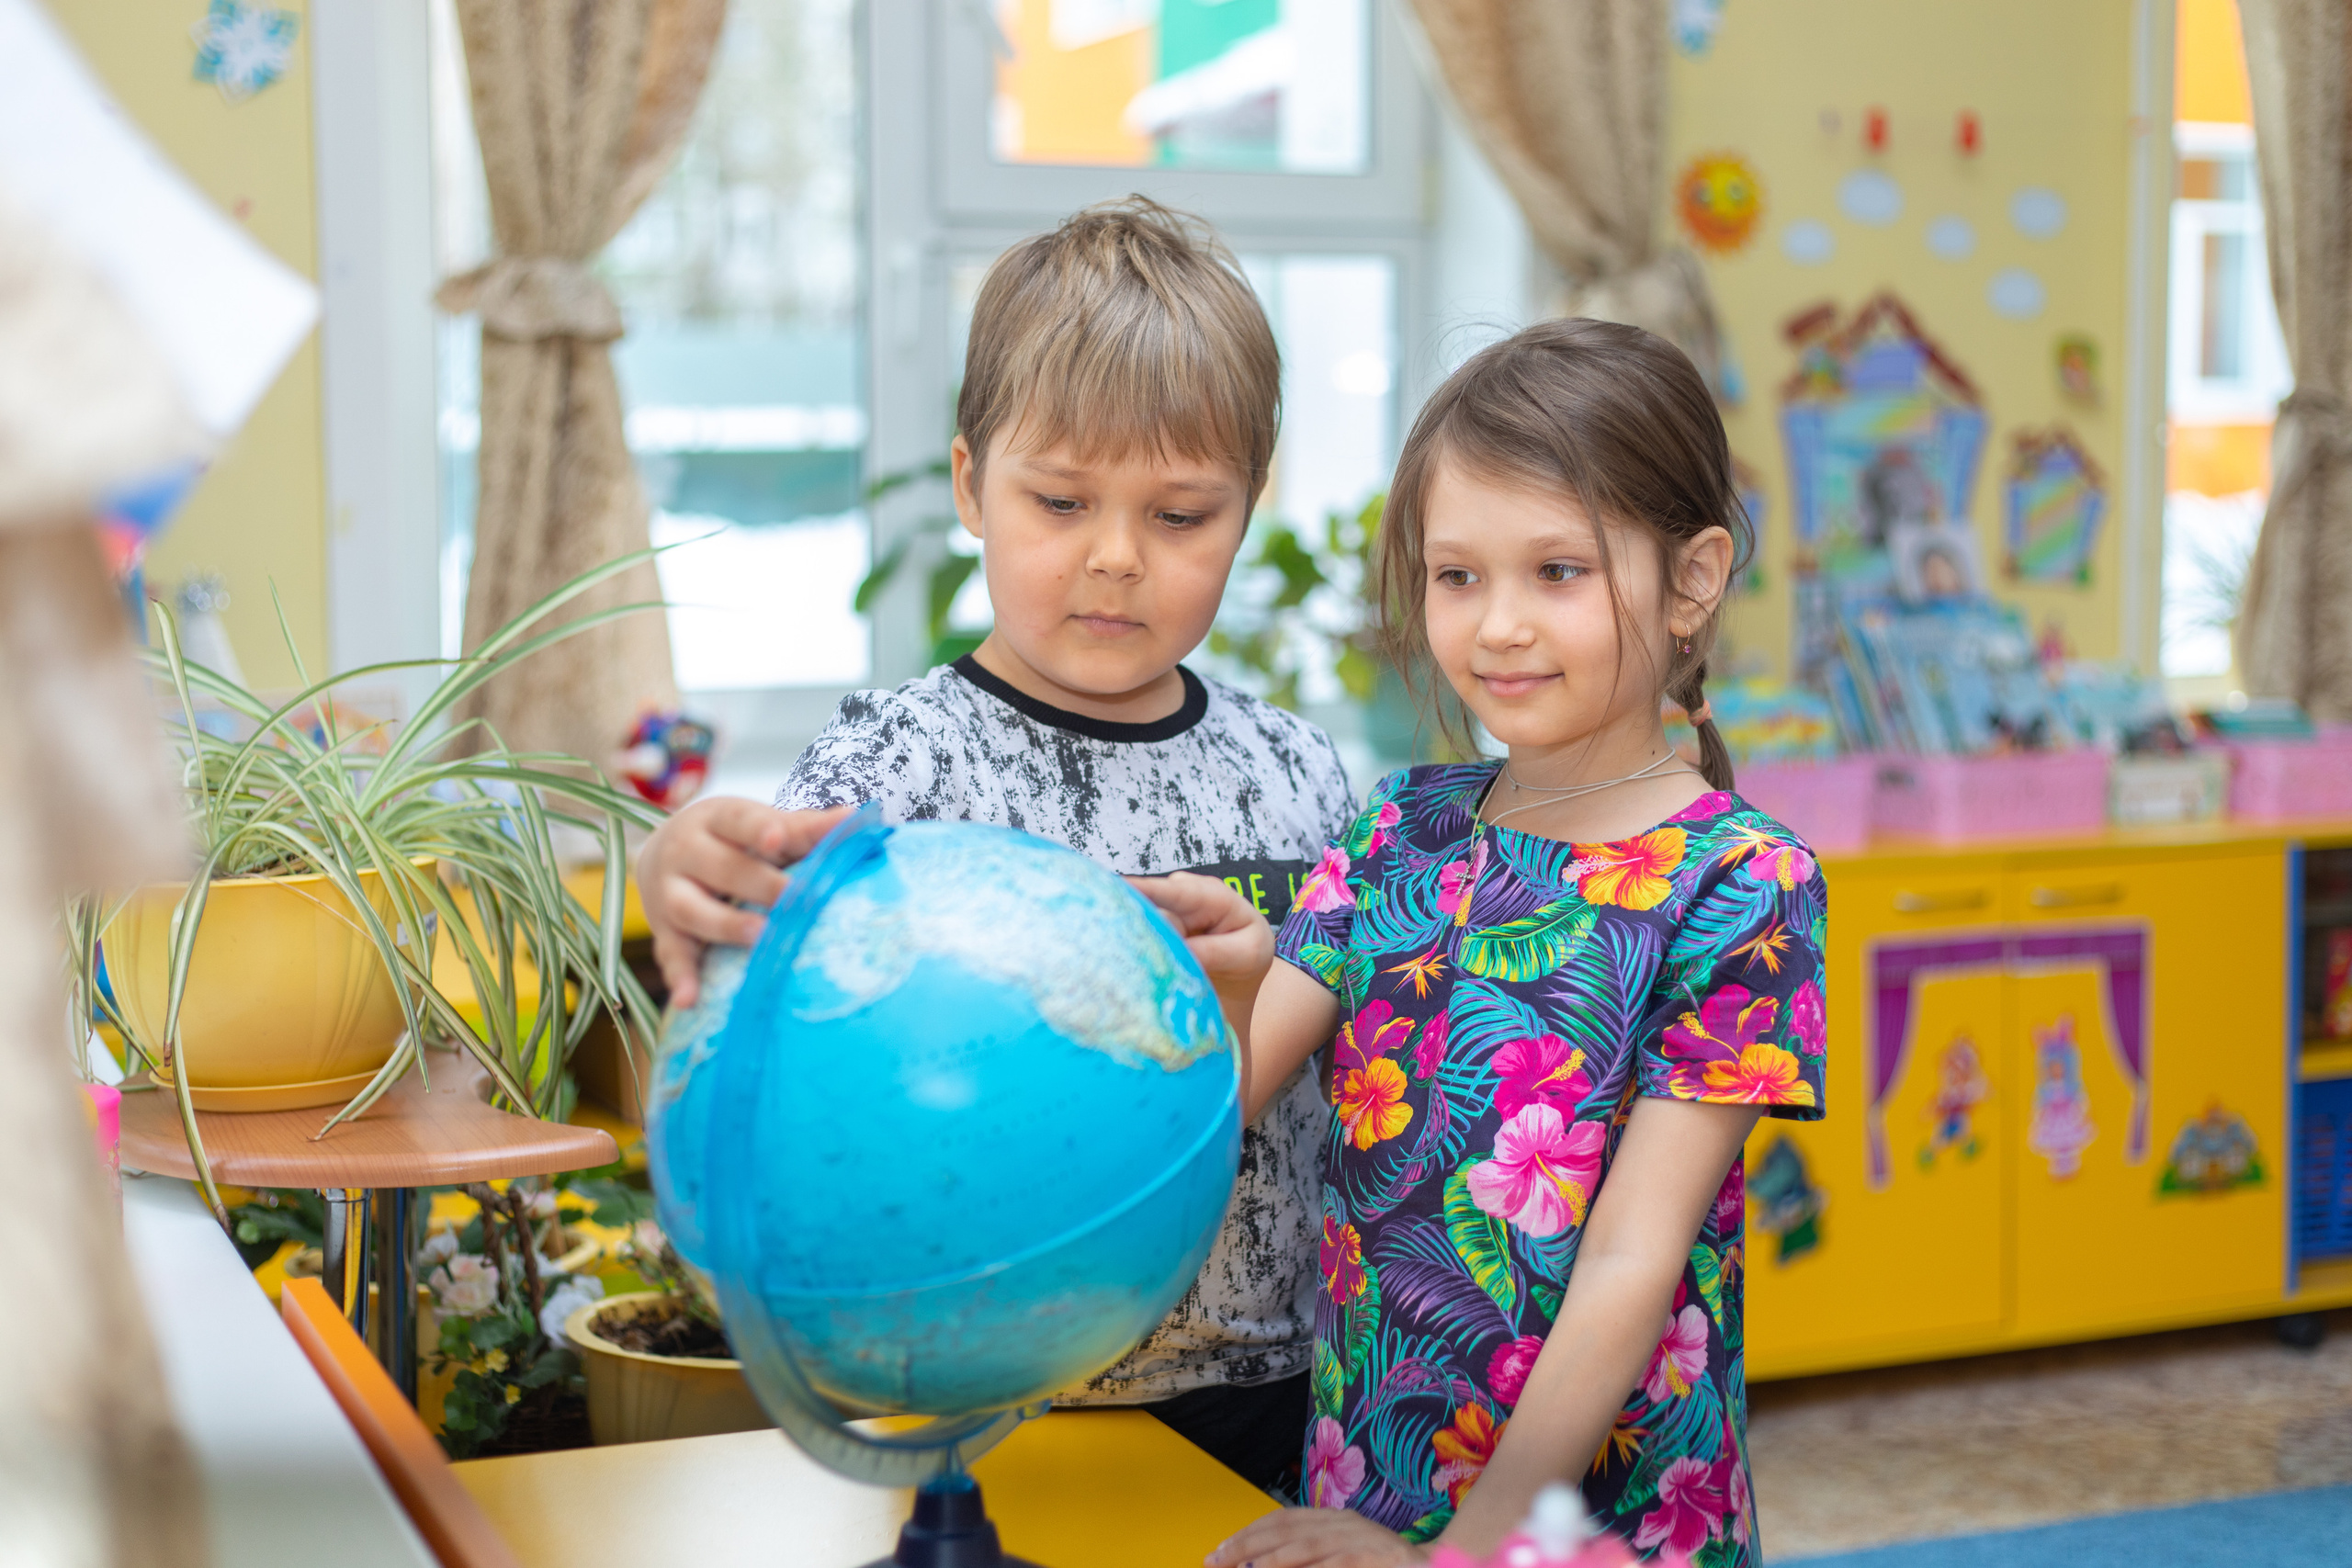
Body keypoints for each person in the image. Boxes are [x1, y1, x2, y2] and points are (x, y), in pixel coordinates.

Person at [634, 196, 1356, 1492]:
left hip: (1268, 1389)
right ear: (971, 484)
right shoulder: (893, 768)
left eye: (1182, 516)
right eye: (1062, 500)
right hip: (982, 1399)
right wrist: (682, 859)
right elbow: (756, 951)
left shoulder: (1301, 779)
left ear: (1250, 507)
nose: (1117, 559)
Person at [1139, 320, 1828, 1565]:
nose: (1496, 625)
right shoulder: (1401, 827)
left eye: (1556, 571)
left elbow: (1630, 1256)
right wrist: (1236, 978)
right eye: (1458, 577)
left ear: (1693, 578)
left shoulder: (1743, 884)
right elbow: (1223, 1104)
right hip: (1362, 1484)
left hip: (1585, 1523)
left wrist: (1470, 1550)